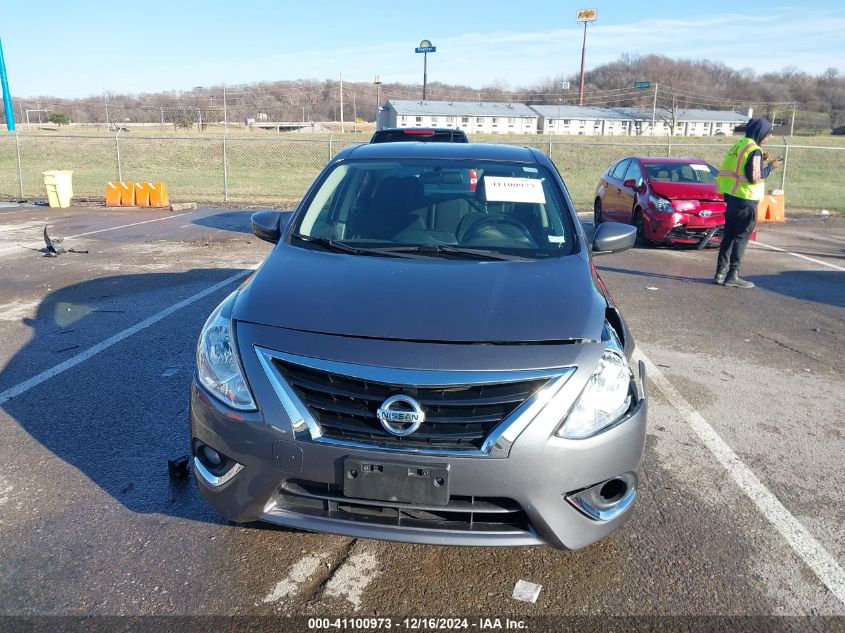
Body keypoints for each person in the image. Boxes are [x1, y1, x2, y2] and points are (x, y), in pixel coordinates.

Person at [714, 117, 783, 288]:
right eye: (767, 134)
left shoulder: (739, 145)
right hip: (746, 201)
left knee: (728, 237)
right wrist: (772, 167)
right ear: (760, 132)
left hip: (732, 198)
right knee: (741, 238)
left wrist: (761, 160)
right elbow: (754, 177)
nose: (767, 138)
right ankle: (732, 276)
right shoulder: (754, 150)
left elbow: (741, 168)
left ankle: (720, 273)